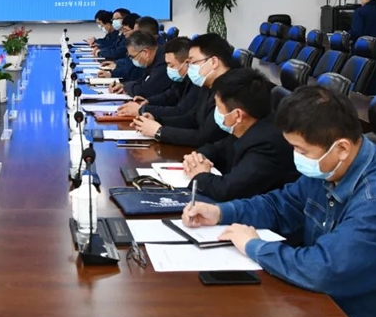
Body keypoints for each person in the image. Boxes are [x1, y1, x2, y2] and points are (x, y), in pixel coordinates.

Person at [182, 86, 376, 317]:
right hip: (331, 303)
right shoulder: (332, 168)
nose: (296, 157)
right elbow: (281, 204)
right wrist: (221, 212)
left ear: (342, 148)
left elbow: (326, 270)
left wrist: (254, 246)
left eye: (301, 150)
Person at [181, 68, 299, 201]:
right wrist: (198, 158)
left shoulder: (268, 145)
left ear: (237, 115)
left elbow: (227, 190)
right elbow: (216, 148)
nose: (216, 111)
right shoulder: (250, 123)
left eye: (218, 107)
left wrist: (200, 175)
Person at [133, 33, 232, 147]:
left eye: (193, 63)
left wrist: (160, 132)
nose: (190, 68)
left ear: (213, 62)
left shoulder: (231, 90)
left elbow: (204, 137)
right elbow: (192, 118)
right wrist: (157, 120)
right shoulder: (207, 84)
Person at [117, 37, 200, 118]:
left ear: (187, 63)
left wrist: (143, 110)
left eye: (171, 65)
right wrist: (149, 101)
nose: (168, 68)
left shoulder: (197, 82)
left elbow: (181, 111)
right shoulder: (183, 78)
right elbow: (172, 95)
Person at [110, 30, 171, 98]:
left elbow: (145, 91)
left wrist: (126, 87)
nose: (132, 60)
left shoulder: (164, 61)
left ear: (145, 52)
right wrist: (124, 85)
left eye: (132, 57)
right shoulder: (154, 58)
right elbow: (143, 80)